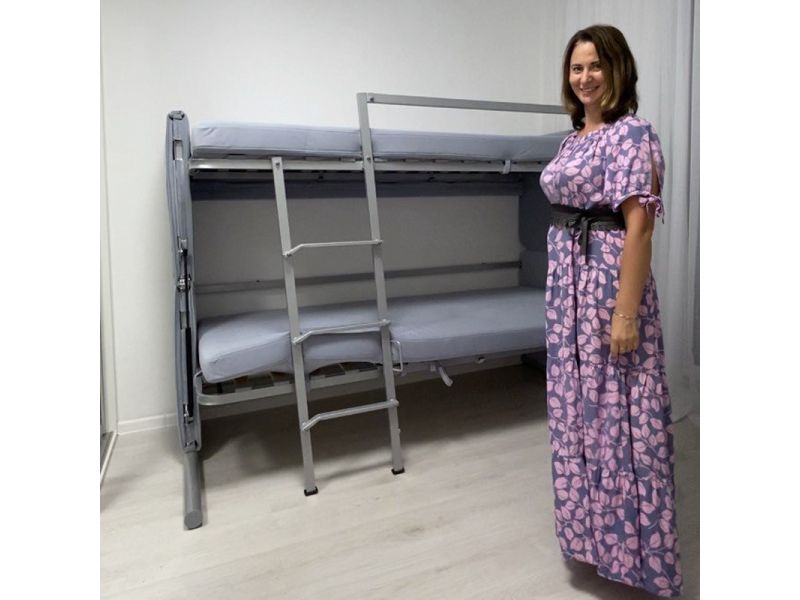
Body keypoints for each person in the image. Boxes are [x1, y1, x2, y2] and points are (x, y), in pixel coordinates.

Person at [539, 25, 682, 597]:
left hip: (605, 290)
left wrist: (626, 314)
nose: (585, 77)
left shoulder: (632, 134)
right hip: (566, 296)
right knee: (577, 414)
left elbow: (639, 229)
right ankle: (591, 542)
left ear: (617, 69)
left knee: (619, 416)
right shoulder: (573, 139)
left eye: (595, 65)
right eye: (576, 68)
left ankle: (636, 555)